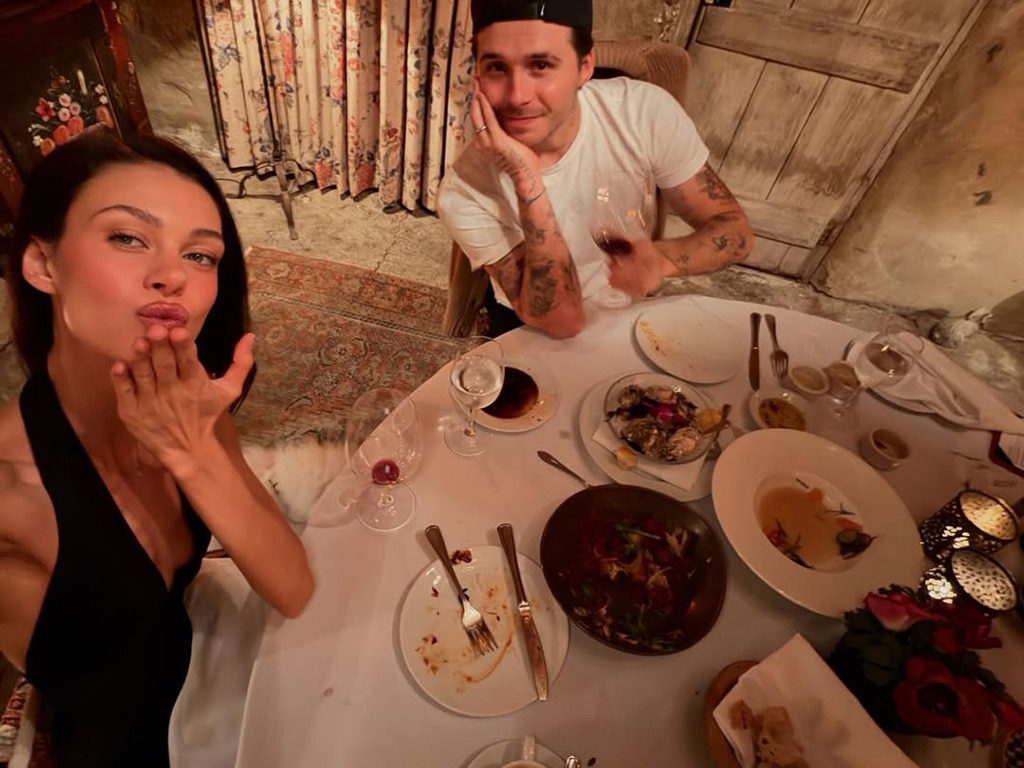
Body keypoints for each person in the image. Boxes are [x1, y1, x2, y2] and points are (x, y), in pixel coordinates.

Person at [0, 130, 313, 767]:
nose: (173, 276)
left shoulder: (187, 407)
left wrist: (193, 453)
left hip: (206, 684)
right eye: (127, 237)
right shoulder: (9, 491)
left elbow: (293, 588)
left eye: (200, 255)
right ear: (41, 265)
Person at [438, 0, 754, 339]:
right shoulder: (464, 190)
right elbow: (563, 321)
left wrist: (662, 261)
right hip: (532, 325)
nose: (518, 96)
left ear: (584, 66)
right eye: (497, 67)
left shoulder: (643, 114)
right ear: (477, 76)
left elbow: (735, 231)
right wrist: (527, 182)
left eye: (540, 65)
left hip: (629, 316)